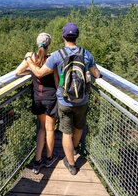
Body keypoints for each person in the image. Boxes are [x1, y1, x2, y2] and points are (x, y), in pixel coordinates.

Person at [26, 23, 100, 175]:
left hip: (64, 101)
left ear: (63, 37)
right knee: (78, 128)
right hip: (82, 100)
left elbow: (39, 73)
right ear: (77, 36)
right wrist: (91, 75)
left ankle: (71, 164)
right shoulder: (86, 54)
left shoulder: (57, 55)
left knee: (66, 132)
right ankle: (72, 151)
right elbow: (96, 74)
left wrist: (28, 60)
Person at [15, 33, 59, 174]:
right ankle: (49, 157)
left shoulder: (31, 57)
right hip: (51, 98)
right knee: (50, 129)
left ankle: (37, 160)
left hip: (38, 98)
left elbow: (18, 72)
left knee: (41, 129)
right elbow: (57, 82)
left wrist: (30, 70)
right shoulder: (51, 59)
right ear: (49, 44)